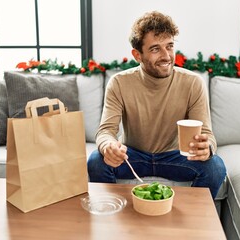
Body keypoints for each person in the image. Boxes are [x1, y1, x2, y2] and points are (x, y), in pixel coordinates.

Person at [87, 11, 226, 199]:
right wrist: (108, 146)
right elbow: (105, 131)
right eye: (155, 49)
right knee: (96, 160)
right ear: (137, 54)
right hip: (133, 156)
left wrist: (207, 148)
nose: (166, 56)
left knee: (215, 167)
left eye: (169, 46)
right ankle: (113, 217)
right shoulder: (119, 83)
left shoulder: (193, 82)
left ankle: (190, 219)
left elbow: (208, 136)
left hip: (176, 157)